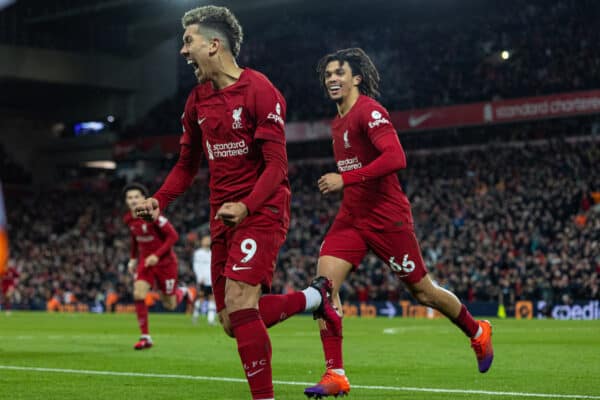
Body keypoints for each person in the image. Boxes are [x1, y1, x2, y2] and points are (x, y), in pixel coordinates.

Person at [134, 6, 339, 400]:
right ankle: (316, 298)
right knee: (231, 320)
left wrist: (246, 206)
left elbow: (278, 166)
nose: (182, 51)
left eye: (188, 41)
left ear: (214, 45)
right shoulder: (196, 101)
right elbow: (185, 165)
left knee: (242, 302)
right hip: (221, 217)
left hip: (261, 209)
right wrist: (159, 200)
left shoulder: (260, 90)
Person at [304, 48, 494, 398]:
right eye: (328, 74)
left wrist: (347, 179)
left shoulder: (369, 111)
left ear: (356, 78)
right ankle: (336, 373)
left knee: (423, 292)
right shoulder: (336, 123)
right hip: (351, 218)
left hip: (387, 217)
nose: (332, 78)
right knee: (323, 288)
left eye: (339, 73)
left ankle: (477, 330)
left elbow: (396, 157)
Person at [123, 182, 187, 350]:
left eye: (136, 196)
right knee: (138, 294)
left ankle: (182, 292)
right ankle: (145, 337)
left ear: (144, 199)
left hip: (165, 263)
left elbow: (173, 236)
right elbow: (135, 239)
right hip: (145, 263)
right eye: (129, 197)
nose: (133, 200)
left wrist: (156, 255)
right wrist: (132, 258)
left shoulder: (154, 216)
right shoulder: (129, 219)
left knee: (170, 305)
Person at [192, 235, 216, 325]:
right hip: (202, 279)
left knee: (212, 298)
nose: (207, 241)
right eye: (205, 240)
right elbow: (196, 266)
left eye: (208, 240)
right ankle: (195, 316)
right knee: (201, 297)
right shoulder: (198, 253)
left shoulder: (212, 253)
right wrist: (199, 277)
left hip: (211, 279)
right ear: (202, 242)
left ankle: (211, 319)